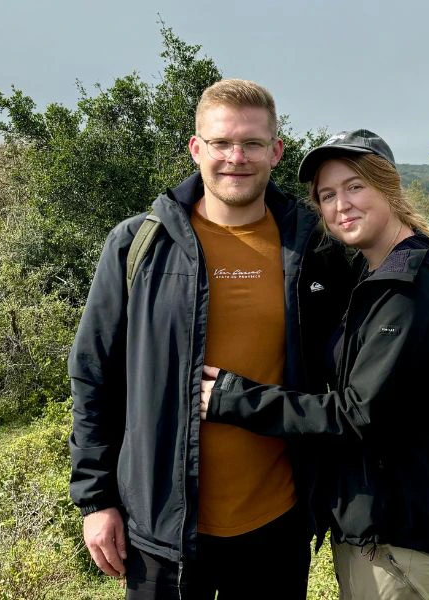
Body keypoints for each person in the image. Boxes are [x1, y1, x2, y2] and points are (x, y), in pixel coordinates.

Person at [68, 79, 351, 599]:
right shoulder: (138, 244)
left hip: (277, 524)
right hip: (161, 528)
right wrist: (96, 499)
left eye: (252, 144)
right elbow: (93, 374)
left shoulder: (314, 248)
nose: (236, 158)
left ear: (276, 151)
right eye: (221, 143)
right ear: (197, 148)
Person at [199, 129, 429, 600]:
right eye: (327, 195)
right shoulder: (373, 272)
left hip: (399, 525)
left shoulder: (408, 290)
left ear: (388, 186)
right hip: (377, 513)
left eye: (355, 186)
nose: (341, 205)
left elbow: (359, 413)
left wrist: (235, 398)